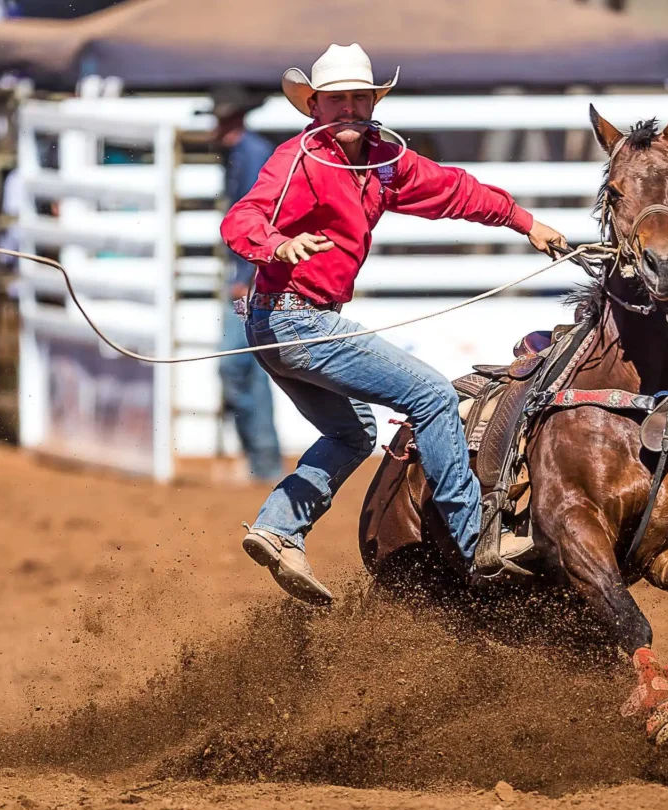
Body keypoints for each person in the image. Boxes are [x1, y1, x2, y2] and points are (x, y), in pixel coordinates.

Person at [221, 43, 566, 605]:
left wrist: (525, 222)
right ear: (315, 106)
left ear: (373, 101)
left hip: (281, 324)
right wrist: (278, 244)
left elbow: (454, 190)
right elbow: (243, 218)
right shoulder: (300, 159)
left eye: (360, 97)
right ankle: (475, 537)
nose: (350, 108)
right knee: (430, 393)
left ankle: (280, 525)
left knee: (352, 432)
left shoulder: (382, 162)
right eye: (338, 100)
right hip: (294, 320)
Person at [214, 87, 284, 484]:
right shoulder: (246, 152)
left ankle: (262, 460)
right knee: (249, 370)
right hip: (252, 277)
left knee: (237, 367)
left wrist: (245, 276)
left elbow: (258, 218)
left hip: (251, 280)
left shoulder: (251, 154)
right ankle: (263, 461)